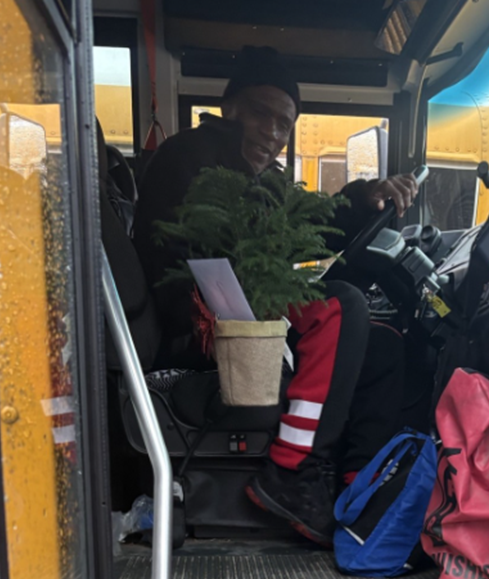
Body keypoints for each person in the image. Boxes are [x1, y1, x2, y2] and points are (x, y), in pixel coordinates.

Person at [133, 46, 418, 546]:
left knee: (384, 345)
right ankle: (292, 470)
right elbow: (229, 252)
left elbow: (292, 232)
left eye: (284, 123)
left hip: (239, 304)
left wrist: (358, 201)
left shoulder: (254, 175)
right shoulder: (193, 157)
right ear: (231, 108)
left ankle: (358, 490)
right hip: (199, 323)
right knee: (339, 305)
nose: (272, 131)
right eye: (262, 113)